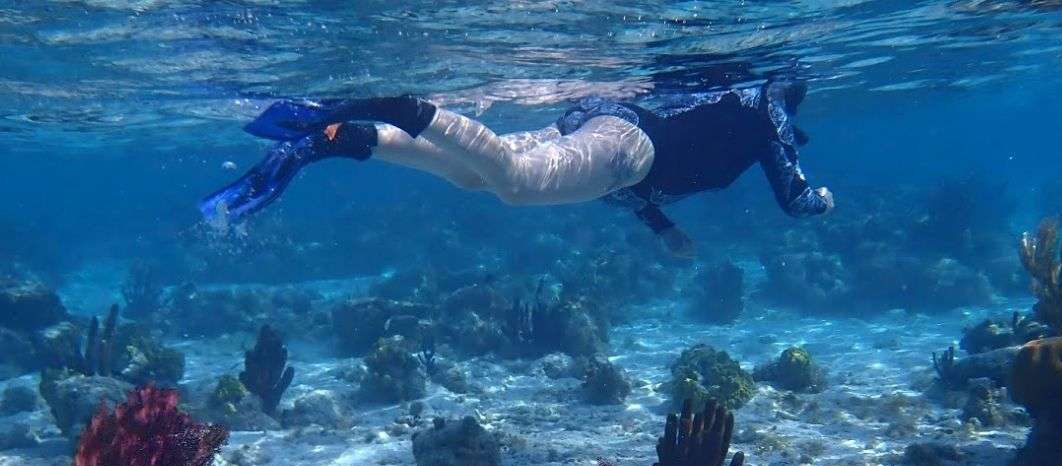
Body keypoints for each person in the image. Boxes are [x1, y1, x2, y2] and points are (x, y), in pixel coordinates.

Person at [200, 79, 834, 257]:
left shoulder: (736, 109)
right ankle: (391, 105)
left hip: (604, 129)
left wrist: (661, 228)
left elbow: (628, 184)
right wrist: (822, 200)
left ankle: (334, 137)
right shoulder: (766, 103)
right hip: (629, 148)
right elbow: (797, 198)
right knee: (514, 185)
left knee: (474, 174)